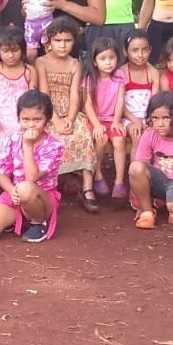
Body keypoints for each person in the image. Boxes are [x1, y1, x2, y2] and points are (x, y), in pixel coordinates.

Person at [0, 88, 65, 243]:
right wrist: (11, 191)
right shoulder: (11, 140)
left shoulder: (53, 146)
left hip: (42, 197)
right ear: (18, 118)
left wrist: (28, 146)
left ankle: (38, 222)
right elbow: (2, 174)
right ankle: (19, 219)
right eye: (25, 119)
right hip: (16, 193)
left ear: (47, 120)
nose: (31, 125)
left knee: (25, 188)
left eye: (37, 120)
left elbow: (32, 179)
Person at [36, 16, 98, 212]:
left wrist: (70, 119)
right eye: (58, 41)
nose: (63, 45)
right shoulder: (41, 62)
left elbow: (74, 96)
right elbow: (44, 93)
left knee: (83, 134)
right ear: (50, 41)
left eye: (67, 41)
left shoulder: (74, 64)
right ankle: (48, 187)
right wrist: (55, 120)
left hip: (69, 110)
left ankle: (87, 189)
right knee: (49, 136)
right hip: (47, 110)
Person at [0, 24, 37, 204]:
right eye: (5, 51)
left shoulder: (29, 71)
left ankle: (20, 185)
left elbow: (33, 99)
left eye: (15, 50)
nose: (10, 55)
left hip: (21, 119)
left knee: (24, 145)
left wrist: (28, 122)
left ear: (22, 50)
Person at [127, 90, 173, 229]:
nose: (160, 124)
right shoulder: (149, 134)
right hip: (159, 182)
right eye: (155, 118)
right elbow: (142, 166)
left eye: (166, 118)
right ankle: (147, 211)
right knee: (136, 167)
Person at [82, 36, 129, 203]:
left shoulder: (119, 76)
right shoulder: (90, 79)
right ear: (95, 62)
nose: (108, 62)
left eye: (111, 58)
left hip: (112, 118)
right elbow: (87, 105)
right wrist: (96, 125)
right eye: (103, 59)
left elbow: (120, 100)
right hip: (95, 120)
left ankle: (119, 181)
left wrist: (117, 121)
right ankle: (98, 172)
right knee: (100, 140)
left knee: (119, 141)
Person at [119, 28, 162, 146]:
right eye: (135, 50)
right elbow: (119, 104)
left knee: (153, 135)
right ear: (125, 52)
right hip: (128, 117)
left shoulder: (153, 73)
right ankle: (136, 165)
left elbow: (155, 102)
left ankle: (152, 164)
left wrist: (149, 120)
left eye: (144, 50)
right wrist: (134, 120)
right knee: (137, 136)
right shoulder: (122, 73)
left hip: (148, 117)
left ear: (150, 50)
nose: (140, 55)